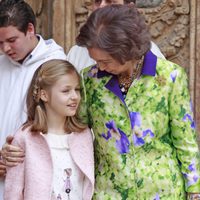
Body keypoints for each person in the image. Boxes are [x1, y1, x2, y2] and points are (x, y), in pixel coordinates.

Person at [76, 5, 200, 199]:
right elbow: (75, 130)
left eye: (106, 61)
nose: (99, 66)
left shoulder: (170, 77)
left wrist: (194, 190)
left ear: (126, 51)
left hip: (163, 191)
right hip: (109, 192)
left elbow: (185, 139)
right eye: (95, 60)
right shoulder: (90, 80)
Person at [0, 0, 66, 197]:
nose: (5, 49)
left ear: (30, 29)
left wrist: (16, 155)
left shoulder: (56, 65)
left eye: (12, 40)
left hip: (35, 177)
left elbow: (61, 127)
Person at [4, 59, 94, 200]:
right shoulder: (25, 138)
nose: (75, 96)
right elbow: (13, 192)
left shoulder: (84, 135)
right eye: (66, 91)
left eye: (77, 90)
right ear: (44, 95)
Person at [66, 0, 165, 72]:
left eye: (110, 2)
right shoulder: (77, 53)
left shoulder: (152, 55)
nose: (101, 6)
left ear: (128, 7)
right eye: (97, 1)